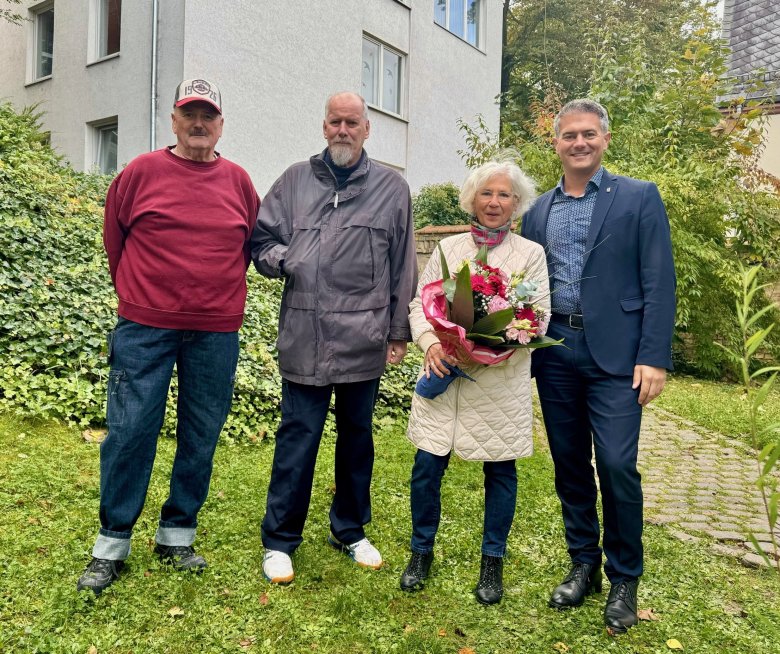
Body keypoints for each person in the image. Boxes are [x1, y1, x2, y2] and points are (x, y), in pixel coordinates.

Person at [77, 79, 260, 595]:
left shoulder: (240, 183)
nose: (199, 123)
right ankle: (112, 542)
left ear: (220, 124)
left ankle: (177, 533)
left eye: (208, 115)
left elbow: (247, 246)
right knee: (130, 431)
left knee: (200, 434)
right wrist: (143, 298)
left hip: (215, 332)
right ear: (174, 120)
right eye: (189, 114)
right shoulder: (140, 173)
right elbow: (116, 240)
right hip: (144, 329)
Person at [521, 99, 676, 632]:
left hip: (617, 355)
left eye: (589, 134)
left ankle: (624, 577)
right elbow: (526, 286)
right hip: (556, 349)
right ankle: (583, 561)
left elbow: (659, 280)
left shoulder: (637, 197)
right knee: (568, 464)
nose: (579, 143)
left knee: (614, 463)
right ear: (557, 143)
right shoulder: (537, 210)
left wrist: (653, 355)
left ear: (605, 139)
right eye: (569, 136)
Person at [251, 91, 418, 584]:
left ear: (368, 129)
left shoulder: (392, 188)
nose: (343, 130)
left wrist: (398, 332)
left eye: (352, 122)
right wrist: (286, 259)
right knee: (297, 437)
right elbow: (260, 243)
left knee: (357, 439)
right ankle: (280, 539)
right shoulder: (293, 183)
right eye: (334, 122)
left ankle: (349, 528)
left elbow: (402, 264)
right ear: (323, 128)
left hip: (364, 338)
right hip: (305, 333)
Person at [400, 157, 549, 605]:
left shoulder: (530, 255)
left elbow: (536, 319)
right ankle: (420, 553)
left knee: (500, 471)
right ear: (472, 199)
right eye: (487, 193)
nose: (494, 202)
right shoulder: (450, 251)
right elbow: (418, 307)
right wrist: (430, 344)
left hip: (497, 384)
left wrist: (492, 346)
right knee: (426, 470)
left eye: (504, 194)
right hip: (444, 373)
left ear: (516, 203)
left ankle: (492, 565)